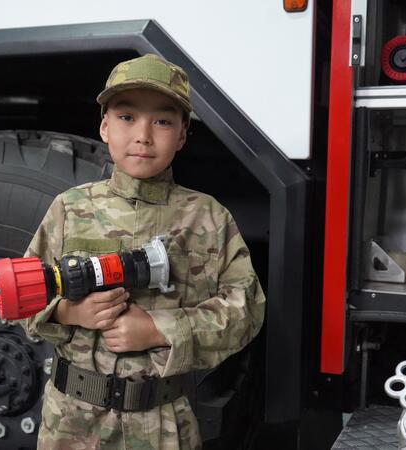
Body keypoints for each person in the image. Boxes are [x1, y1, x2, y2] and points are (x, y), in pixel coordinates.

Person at [22, 53, 266, 450]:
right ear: (104, 126)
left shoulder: (208, 218)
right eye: (127, 117)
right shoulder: (69, 209)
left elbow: (246, 311)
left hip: (163, 425)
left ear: (183, 135)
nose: (144, 135)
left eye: (163, 121)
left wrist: (158, 329)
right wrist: (68, 312)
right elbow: (23, 296)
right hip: (71, 423)